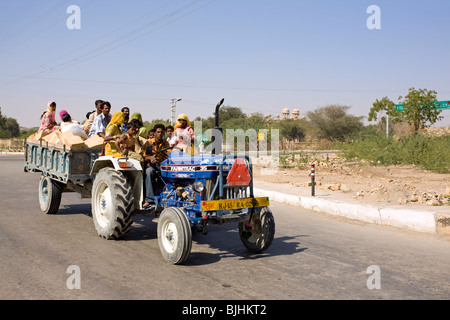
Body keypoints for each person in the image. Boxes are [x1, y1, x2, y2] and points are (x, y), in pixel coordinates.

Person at [143, 123, 170, 210]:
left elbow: (170, 154)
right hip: (151, 165)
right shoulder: (149, 143)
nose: (160, 134)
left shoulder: (166, 143)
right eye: (158, 132)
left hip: (162, 165)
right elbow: (143, 157)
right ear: (154, 133)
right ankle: (149, 199)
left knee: (171, 173)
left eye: (162, 132)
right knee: (149, 171)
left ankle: (167, 197)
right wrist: (150, 158)